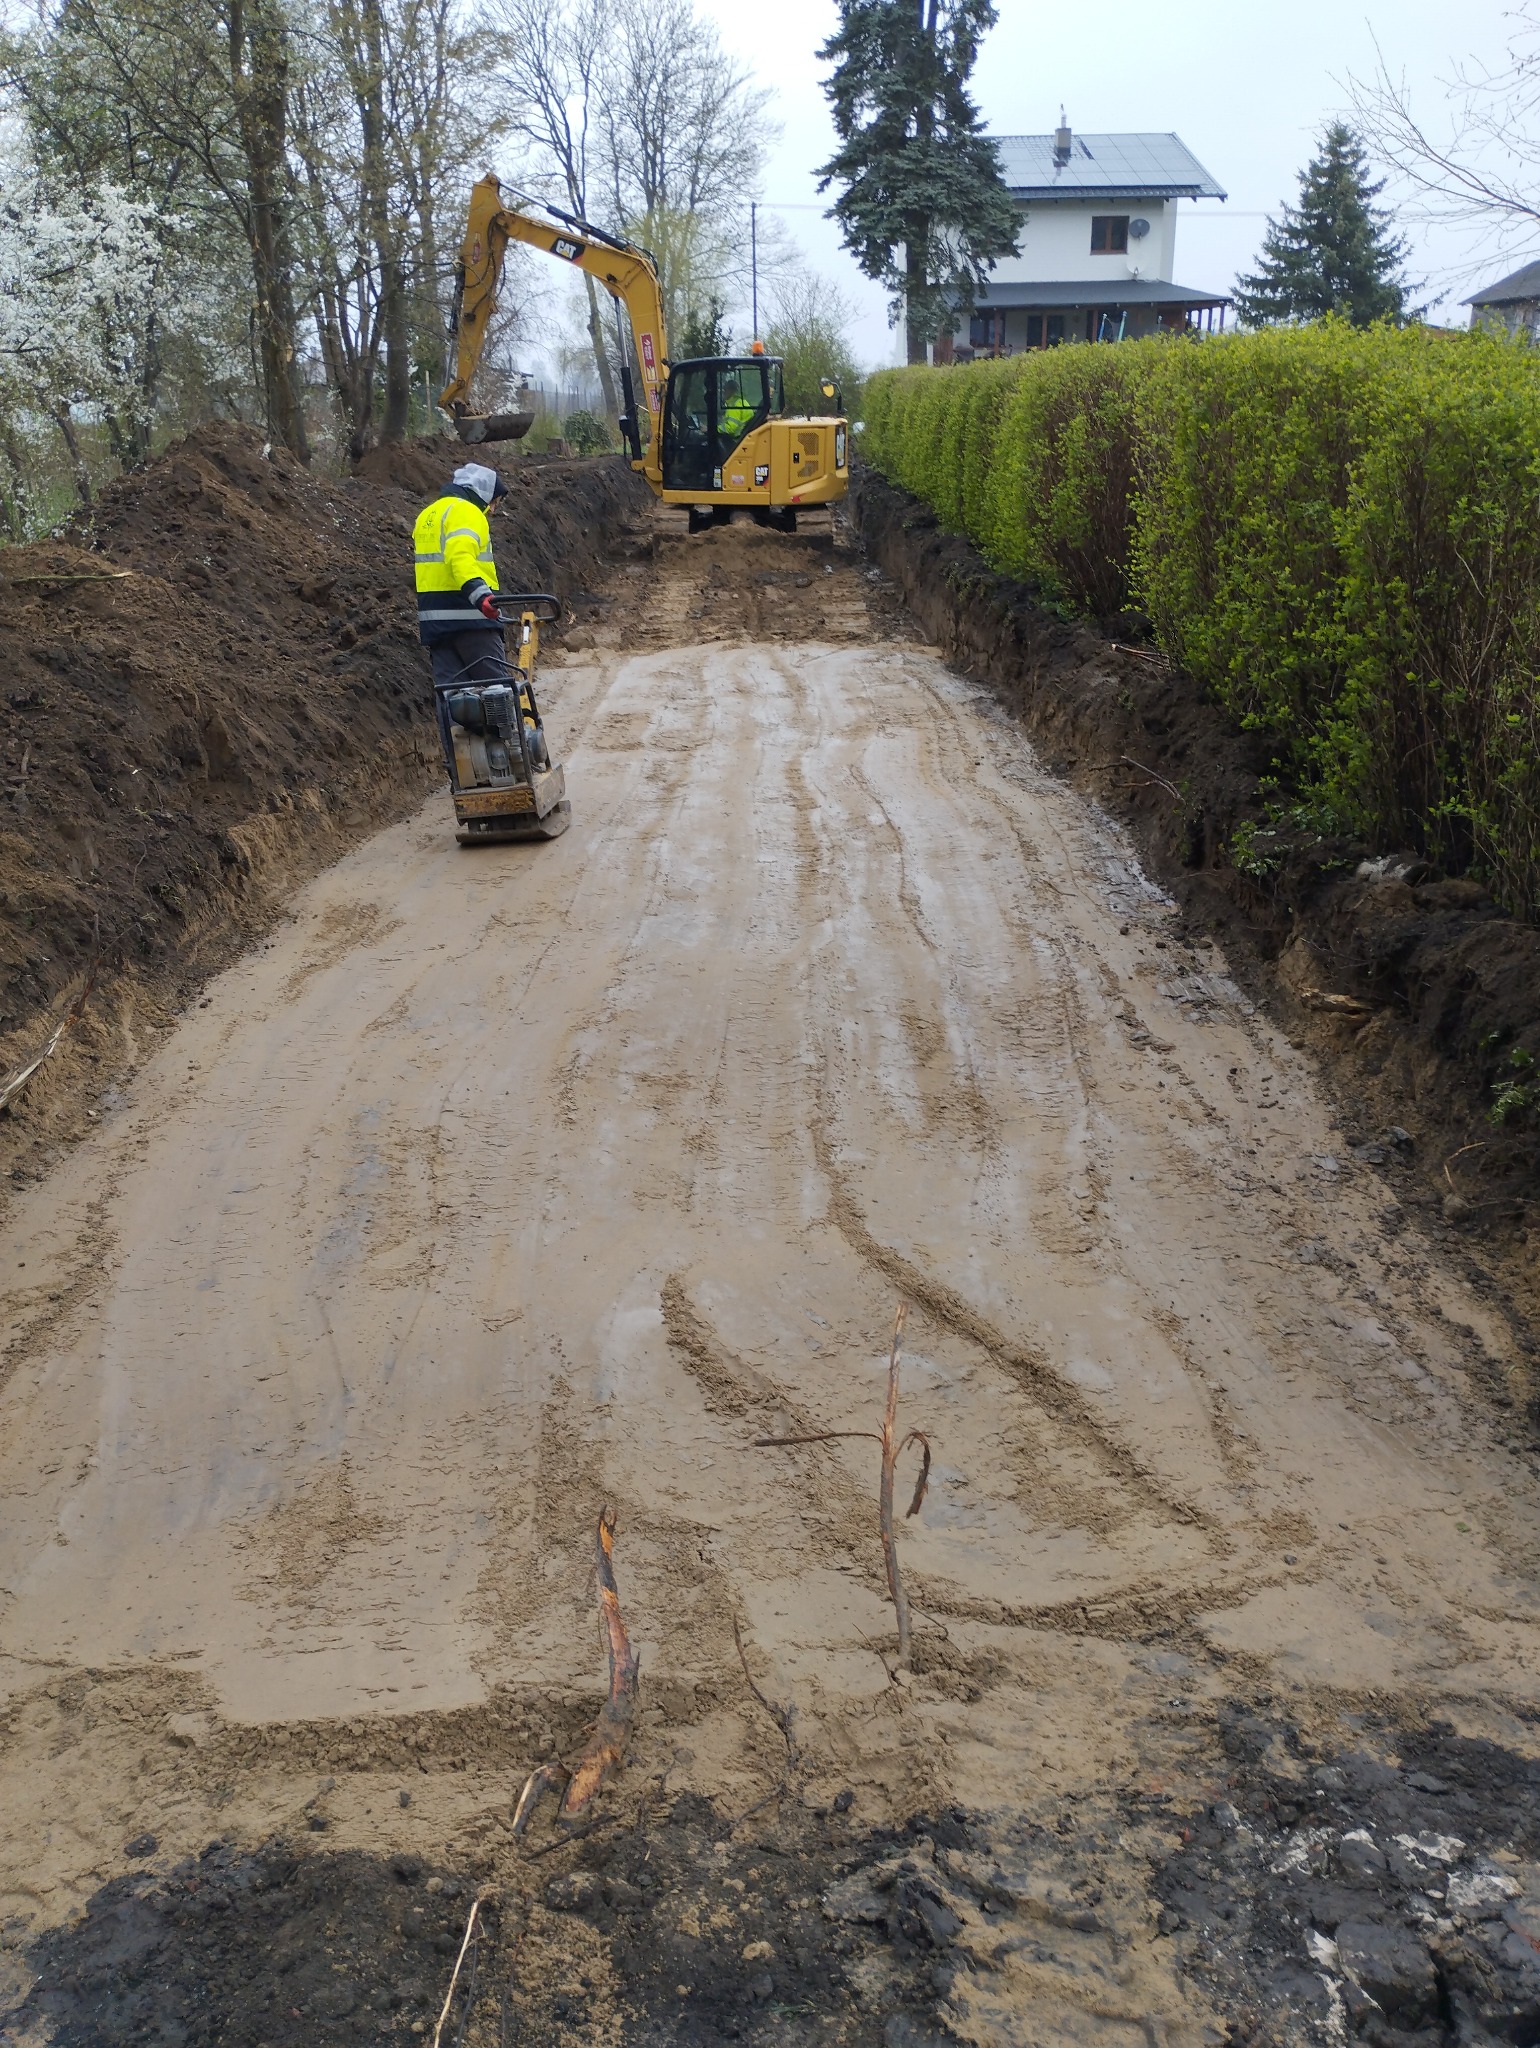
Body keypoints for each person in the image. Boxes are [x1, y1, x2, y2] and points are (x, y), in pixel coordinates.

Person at [413, 462, 519, 775]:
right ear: (484, 495)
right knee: (496, 688)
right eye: (493, 504)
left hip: (436, 623)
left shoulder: (428, 514)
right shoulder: (467, 512)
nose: (492, 511)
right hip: (471, 618)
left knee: (450, 696)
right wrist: (481, 596)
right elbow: (460, 557)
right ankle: (511, 761)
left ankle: (460, 770)